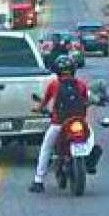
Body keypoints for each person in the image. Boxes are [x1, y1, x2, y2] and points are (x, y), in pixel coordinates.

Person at [29, 55, 98, 193]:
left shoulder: (54, 84)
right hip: (79, 122)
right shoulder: (81, 84)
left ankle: (38, 180)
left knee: (46, 148)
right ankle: (90, 163)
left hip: (58, 123)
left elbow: (44, 102)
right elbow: (87, 100)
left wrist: (38, 108)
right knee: (90, 139)